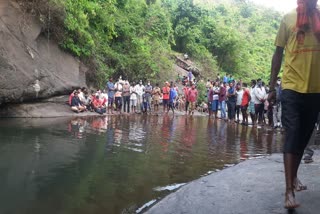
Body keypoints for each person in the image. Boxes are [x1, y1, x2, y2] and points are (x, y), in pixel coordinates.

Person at [268, 0, 320, 209]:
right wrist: (272, 87)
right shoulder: (288, 19)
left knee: (304, 136)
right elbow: (278, 53)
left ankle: (294, 177)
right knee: (293, 133)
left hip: (316, 90)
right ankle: (289, 191)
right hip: (291, 87)